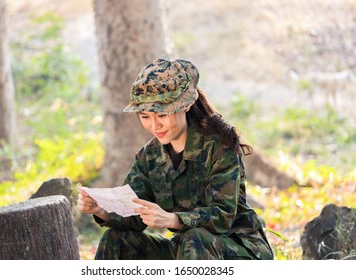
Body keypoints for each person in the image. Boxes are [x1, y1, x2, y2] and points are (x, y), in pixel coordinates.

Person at [77, 58, 274, 260]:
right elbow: (133, 213)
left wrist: (173, 219)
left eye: (161, 115)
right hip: (189, 252)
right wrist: (102, 210)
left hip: (239, 250)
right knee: (115, 238)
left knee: (194, 236)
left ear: (185, 106)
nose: (154, 126)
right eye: (145, 117)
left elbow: (222, 215)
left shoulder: (219, 147)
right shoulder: (150, 156)